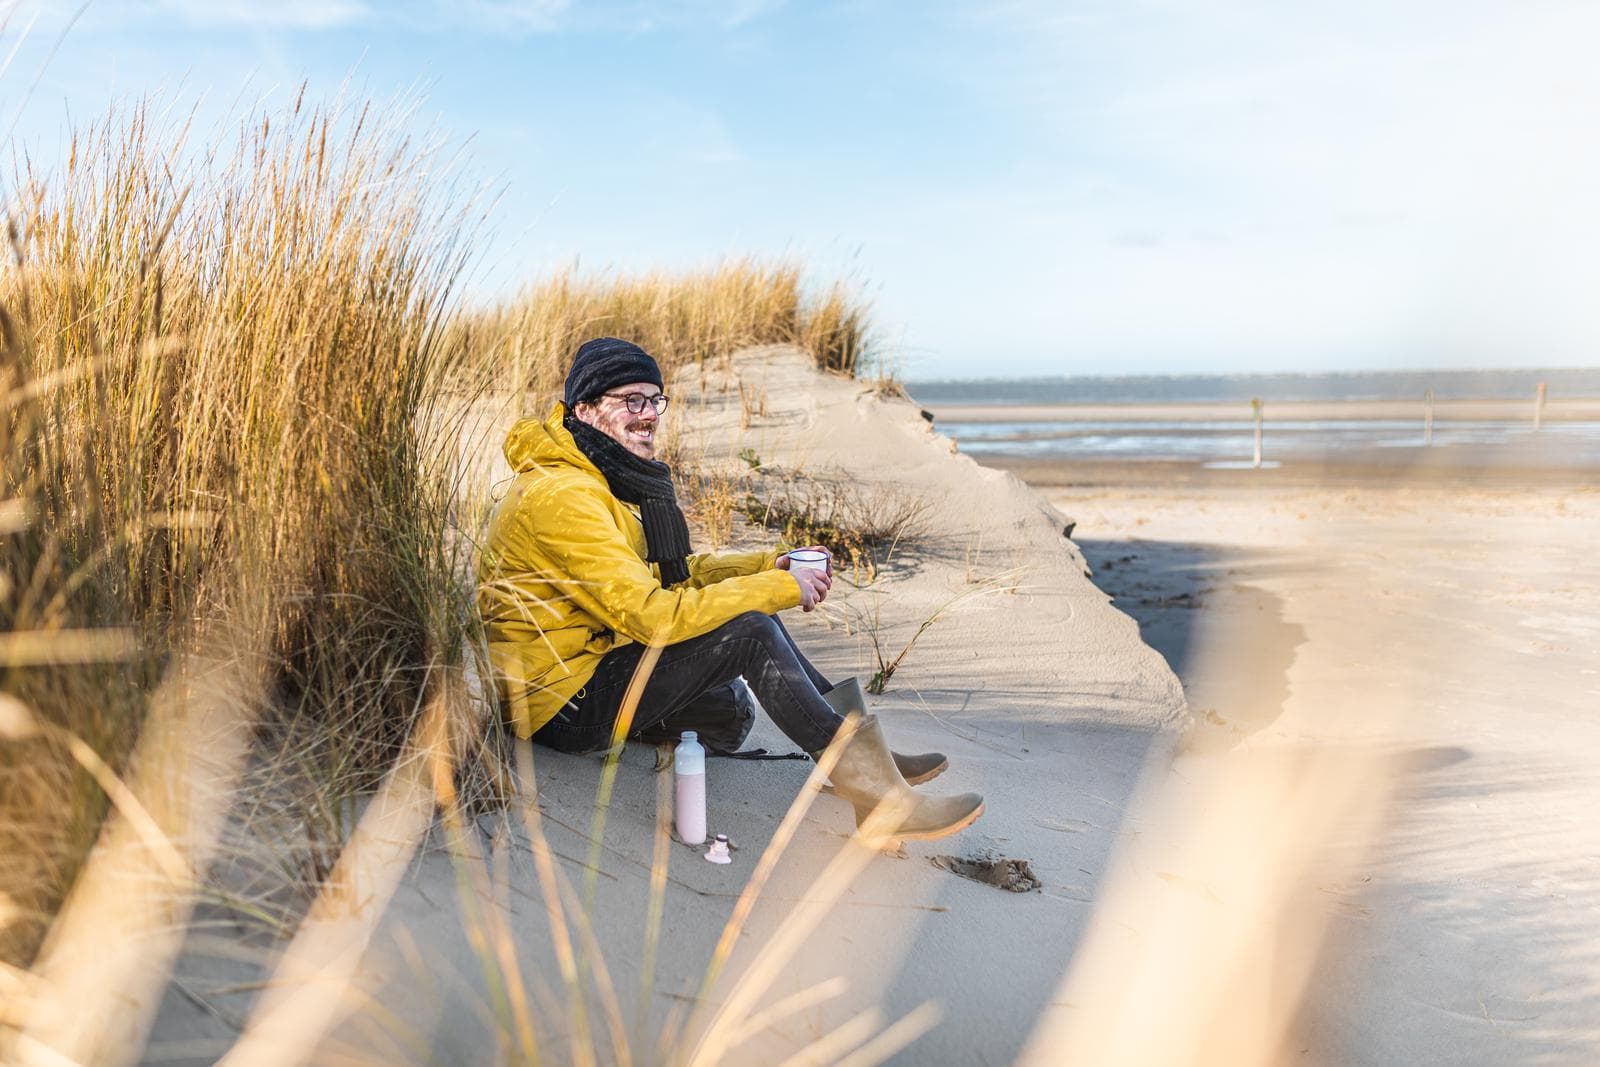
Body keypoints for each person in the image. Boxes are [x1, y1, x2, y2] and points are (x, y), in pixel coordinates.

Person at [477, 337, 984, 841]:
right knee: (751, 631)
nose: (649, 413)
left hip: (592, 663)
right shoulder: (564, 497)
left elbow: (661, 577)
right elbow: (652, 615)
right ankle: (875, 795)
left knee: (731, 708)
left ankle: (871, 759)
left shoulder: (594, 481)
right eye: (630, 400)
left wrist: (769, 566)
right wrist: (776, 587)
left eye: (655, 400)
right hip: (556, 702)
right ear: (585, 410)